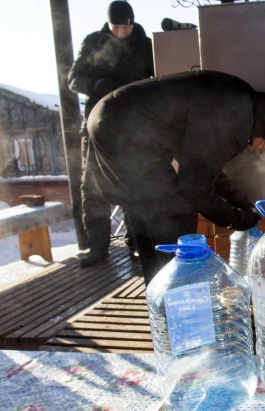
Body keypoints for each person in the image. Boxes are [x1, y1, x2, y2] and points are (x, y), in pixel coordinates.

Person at [86, 70, 265, 285]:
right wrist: (238, 219)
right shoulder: (233, 122)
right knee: (173, 211)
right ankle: (177, 293)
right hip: (123, 127)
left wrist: (243, 203)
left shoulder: (240, 105)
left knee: (147, 206)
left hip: (114, 116)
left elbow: (205, 169)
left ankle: (160, 292)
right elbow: (195, 188)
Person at [68, 1, 154, 267]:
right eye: (116, 27)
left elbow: (159, 80)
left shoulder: (146, 45)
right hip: (97, 124)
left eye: (125, 27)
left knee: (134, 184)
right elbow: (74, 78)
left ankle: (137, 246)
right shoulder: (93, 42)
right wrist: (95, 84)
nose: (120, 31)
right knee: (92, 186)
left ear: (132, 23)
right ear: (108, 24)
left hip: (133, 125)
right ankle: (97, 249)